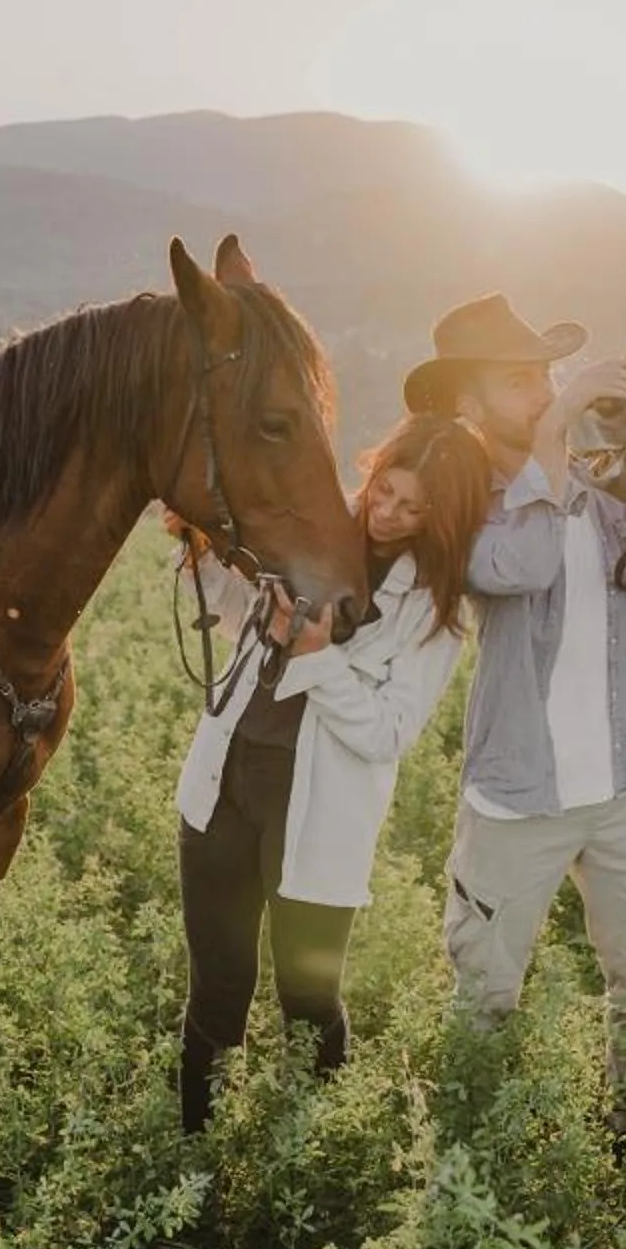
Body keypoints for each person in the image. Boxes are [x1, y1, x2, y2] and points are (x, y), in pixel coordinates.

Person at [404, 295, 626, 1082]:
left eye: (548, 376)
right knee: (486, 991)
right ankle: (468, 1161)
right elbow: (519, 568)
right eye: (522, 380)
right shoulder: (460, 503)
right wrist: (558, 428)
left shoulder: (612, 481)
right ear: (468, 402)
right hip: (521, 796)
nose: (544, 392)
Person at [170, 412, 491, 1131]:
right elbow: (242, 620)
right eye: (384, 492)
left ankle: (311, 1164)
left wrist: (317, 655)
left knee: (308, 1002)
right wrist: (200, 560)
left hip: (316, 811)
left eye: (413, 507)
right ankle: (197, 1156)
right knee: (216, 991)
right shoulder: (310, 535)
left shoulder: (436, 612)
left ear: (444, 516)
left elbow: (388, 733)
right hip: (225, 783)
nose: (387, 514)